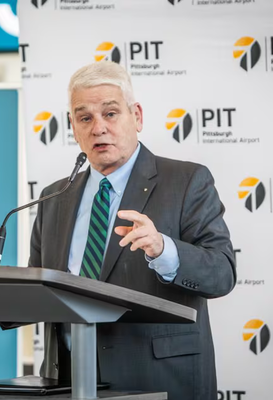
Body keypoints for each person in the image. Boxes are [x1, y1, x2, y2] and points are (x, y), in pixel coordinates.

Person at [29, 61, 236, 400]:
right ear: (73, 127)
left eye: (110, 113)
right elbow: (40, 288)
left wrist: (164, 249)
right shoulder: (54, 197)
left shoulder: (187, 181)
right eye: (85, 118)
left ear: (136, 116)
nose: (98, 128)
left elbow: (222, 274)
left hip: (157, 378)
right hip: (69, 380)